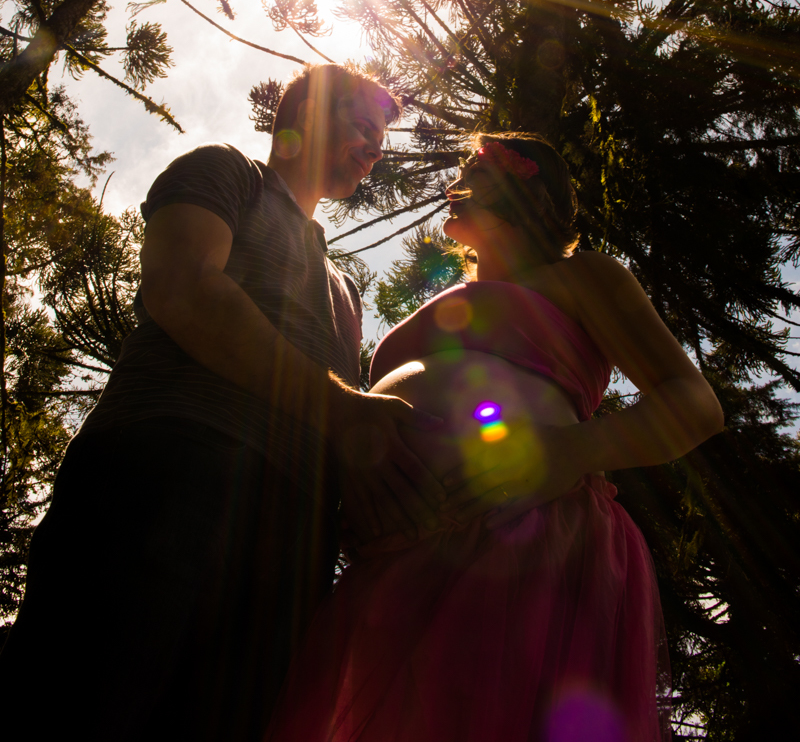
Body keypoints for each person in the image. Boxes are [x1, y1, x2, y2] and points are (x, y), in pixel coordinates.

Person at [0, 63, 445, 742]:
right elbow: (181, 289)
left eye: (381, 137)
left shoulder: (344, 289)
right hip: (168, 469)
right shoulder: (226, 173)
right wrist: (342, 408)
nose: (376, 148)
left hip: (293, 544)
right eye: (363, 126)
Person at [266, 132, 725, 742]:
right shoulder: (448, 300)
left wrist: (574, 451)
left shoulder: (583, 276)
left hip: (529, 535)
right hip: (397, 557)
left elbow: (695, 404)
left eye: (473, 174)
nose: (453, 186)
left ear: (524, 189)